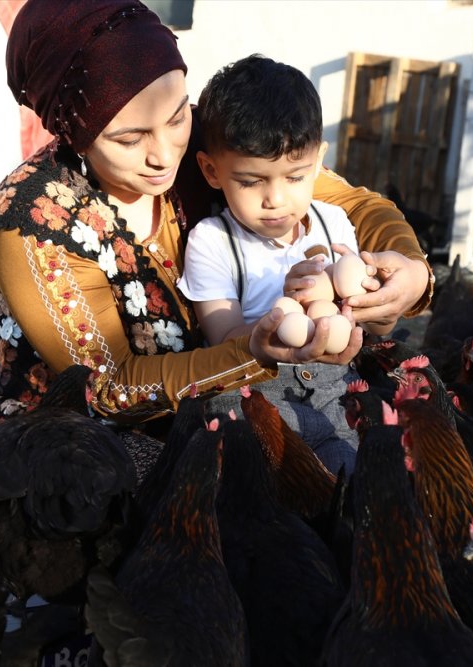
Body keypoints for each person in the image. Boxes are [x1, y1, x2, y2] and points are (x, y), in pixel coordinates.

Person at [0, 0, 433, 434]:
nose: (165, 154)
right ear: (74, 135)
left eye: (175, 118)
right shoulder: (32, 223)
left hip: (228, 404)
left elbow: (351, 202)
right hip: (80, 441)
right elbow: (108, 388)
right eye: (130, 140)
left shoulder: (208, 140)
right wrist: (251, 354)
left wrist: (411, 273)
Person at [178, 55, 387, 473]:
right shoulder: (213, 242)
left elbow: (374, 326)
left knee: (350, 482)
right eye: (251, 181)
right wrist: (281, 309)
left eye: (295, 177)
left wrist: (365, 294)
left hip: (332, 396)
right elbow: (222, 338)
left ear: (319, 160)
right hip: (253, 398)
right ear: (211, 170)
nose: (275, 199)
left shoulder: (335, 224)